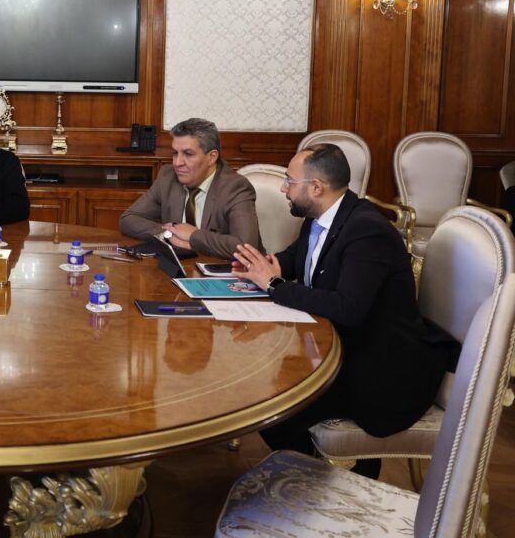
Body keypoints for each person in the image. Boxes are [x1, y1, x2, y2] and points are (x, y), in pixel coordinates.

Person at [231, 143, 454, 476]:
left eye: (289, 181)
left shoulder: (367, 230)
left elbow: (348, 308)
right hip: (343, 347)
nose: (283, 189)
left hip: (380, 369)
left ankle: (333, 480)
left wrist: (274, 285)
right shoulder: (320, 215)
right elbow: (298, 256)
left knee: (272, 404)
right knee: (265, 386)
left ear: (316, 187)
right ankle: (315, 476)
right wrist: (267, 266)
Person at [119, 117, 260, 258]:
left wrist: (193, 237)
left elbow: (246, 247)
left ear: (211, 157)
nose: (177, 163)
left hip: (223, 268)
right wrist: (169, 234)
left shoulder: (236, 187)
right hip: (179, 265)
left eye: (188, 154)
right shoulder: (168, 176)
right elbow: (128, 219)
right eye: (175, 153)